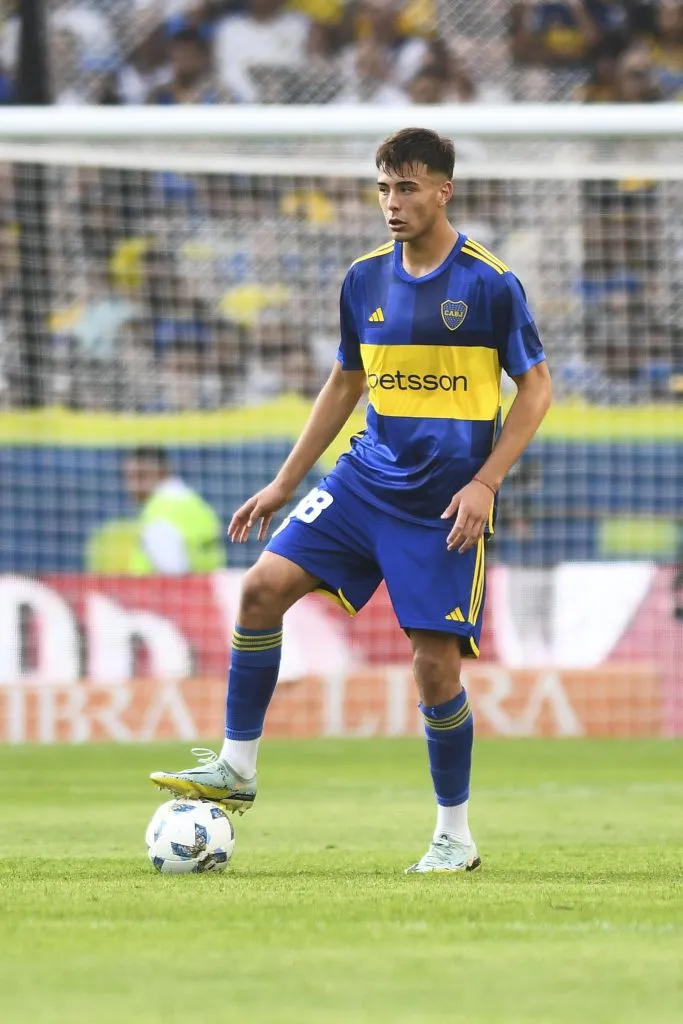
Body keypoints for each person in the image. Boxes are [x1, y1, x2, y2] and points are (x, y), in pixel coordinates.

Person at [151, 127, 552, 873]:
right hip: (362, 481)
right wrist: (284, 480)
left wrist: (485, 480)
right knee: (261, 588)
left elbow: (535, 387)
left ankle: (453, 837)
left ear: (443, 191)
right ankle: (237, 767)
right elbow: (345, 380)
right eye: (382, 188)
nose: (391, 203)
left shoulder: (490, 283)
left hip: (440, 507)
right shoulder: (363, 278)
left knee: (435, 671)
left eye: (406, 188)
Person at [123, 446, 225, 574]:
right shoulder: (196, 504)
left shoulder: (158, 516)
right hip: (209, 590)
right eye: (129, 477)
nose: (133, 487)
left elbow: (173, 574)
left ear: (162, 472)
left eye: (141, 477)